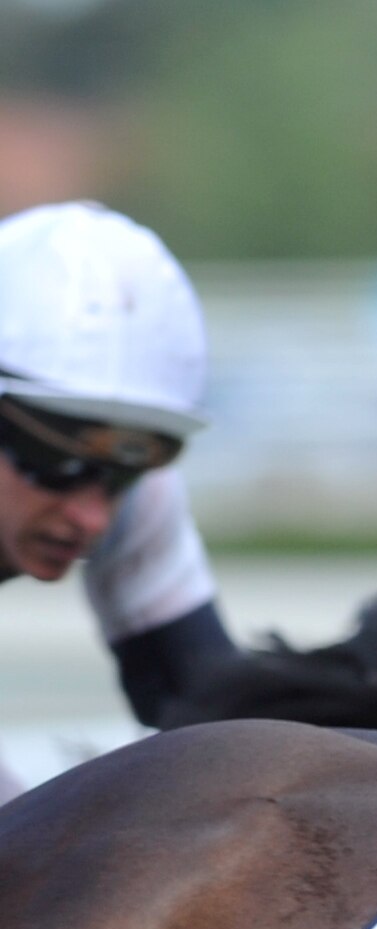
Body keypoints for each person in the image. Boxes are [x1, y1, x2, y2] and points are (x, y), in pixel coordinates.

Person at [0, 201, 236, 803]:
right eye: (59, 465)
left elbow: (219, 724)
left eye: (119, 477)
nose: (92, 517)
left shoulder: (141, 492)